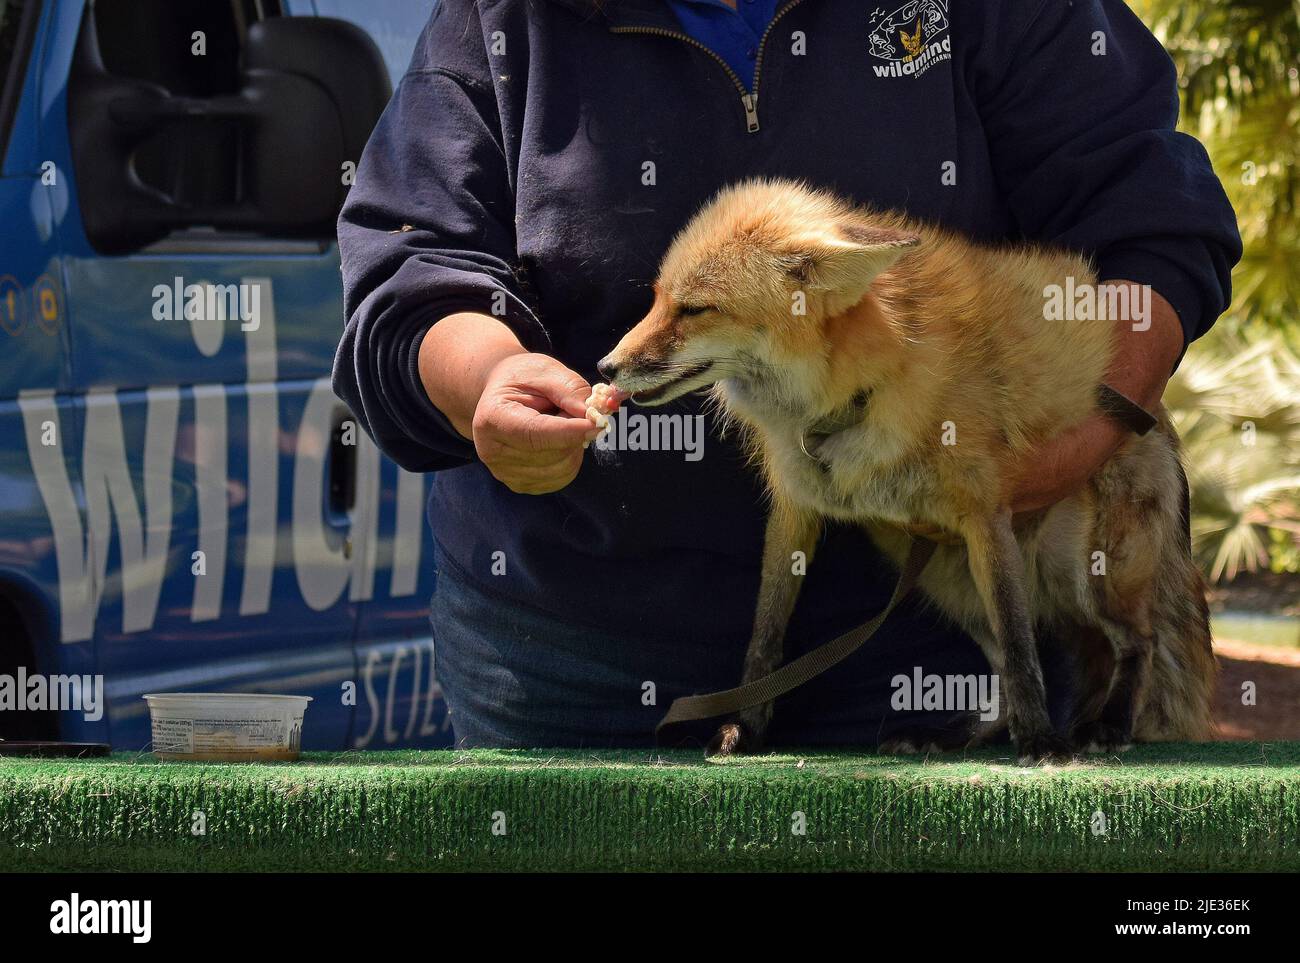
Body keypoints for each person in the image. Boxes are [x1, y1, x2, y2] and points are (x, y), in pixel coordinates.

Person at [332, 0, 1241, 749]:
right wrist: (487, 377)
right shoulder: (499, 22)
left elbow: (1149, 213)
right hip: (574, 668)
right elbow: (412, 273)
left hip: (937, 659)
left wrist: (1088, 433)